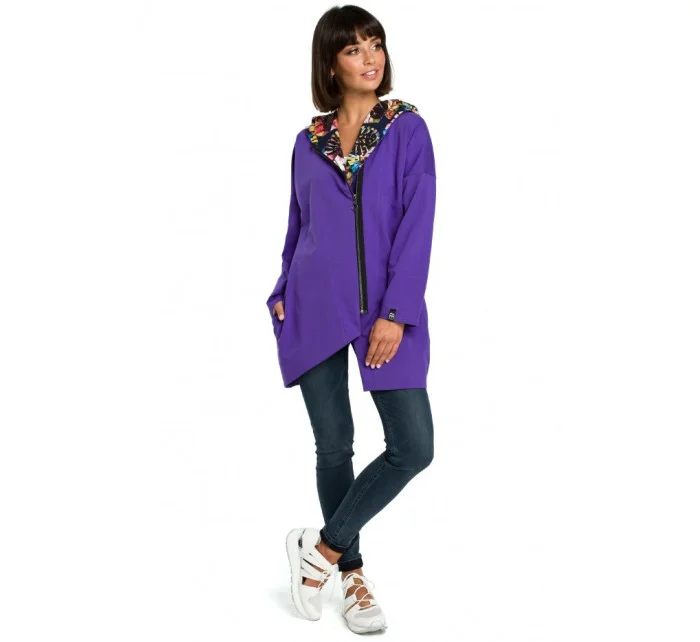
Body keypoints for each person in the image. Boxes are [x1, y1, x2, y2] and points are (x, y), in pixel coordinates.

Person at [265, 5, 437, 633]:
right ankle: (353, 577)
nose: (371, 58)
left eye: (376, 44)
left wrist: (396, 311)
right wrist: (281, 288)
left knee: (413, 446)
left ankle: (320, 552)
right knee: (334, 444)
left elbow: (418, 223)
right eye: (354, 49)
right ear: (331, 64)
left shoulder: (406, 128)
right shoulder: (307, 141)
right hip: (312, 304)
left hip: (385, 312)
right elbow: (299, 223)